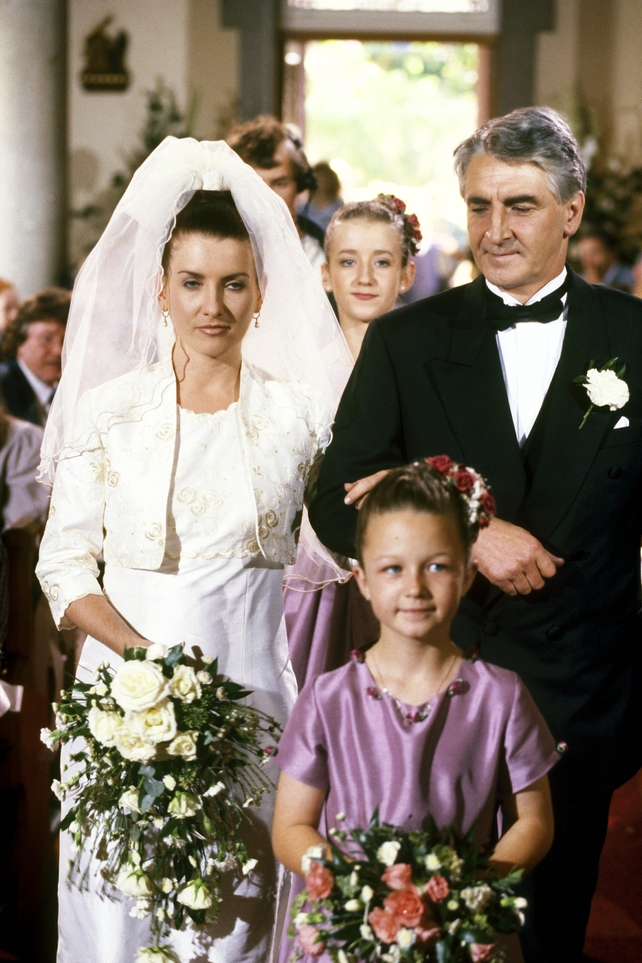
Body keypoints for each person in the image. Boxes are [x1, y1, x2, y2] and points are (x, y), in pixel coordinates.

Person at [308, 106, 642, 963]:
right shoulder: (408, 340)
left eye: (520, 206)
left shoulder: (635, 339)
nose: (495, 229)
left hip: (581, 692)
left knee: (551, 933)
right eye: (479, 205)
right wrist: (471, 528)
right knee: (415, 931)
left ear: (571, 211)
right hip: (430, 692)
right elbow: (333, 499)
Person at [35, 137, 352, 963]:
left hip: (250, 693)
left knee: (234, 913)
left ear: (262, 294)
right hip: (126, 694)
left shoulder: (301, 416)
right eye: (193, 283)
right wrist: (146, 660)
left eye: (234, 284)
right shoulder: (109, 411)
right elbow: (63, 564)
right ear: (159, 290)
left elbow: (357, 534)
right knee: (119, 908)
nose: (213, 305)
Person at [274, 462, 558, 963]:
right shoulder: (327, 698)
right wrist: (357, 888)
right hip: (354, 928)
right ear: (361, 579)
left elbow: (533, 822)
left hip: (459, 931)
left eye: (437, 566)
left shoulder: (502, 697)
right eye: (392, 568)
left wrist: (468, 889)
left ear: (468, 574)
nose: (415, 587)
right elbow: (291, 828)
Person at [284, 195, 418, 688]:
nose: (364, 277)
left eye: (382, 262)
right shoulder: (296, 373)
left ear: (406, 275)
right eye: (348, 262)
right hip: (308, 570)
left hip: (399, 567)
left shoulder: (426, 365)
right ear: (325, 275)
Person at [226, 116, 326, 273]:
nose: (267, 197)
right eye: (254, 184)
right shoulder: (214, 248)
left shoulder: (320, 259)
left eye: (280, 184)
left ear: (301, 186)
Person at [0, 287, 69, 425]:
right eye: (47, 338)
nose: (58, 350)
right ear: (20, 341)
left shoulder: (65, 394)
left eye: (66, 340)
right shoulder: (3, 390)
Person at [300, 162, 342, 234]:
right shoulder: (303, 210)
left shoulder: (340, 209)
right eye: (318, 178)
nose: (321, 182)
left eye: (324, 178)